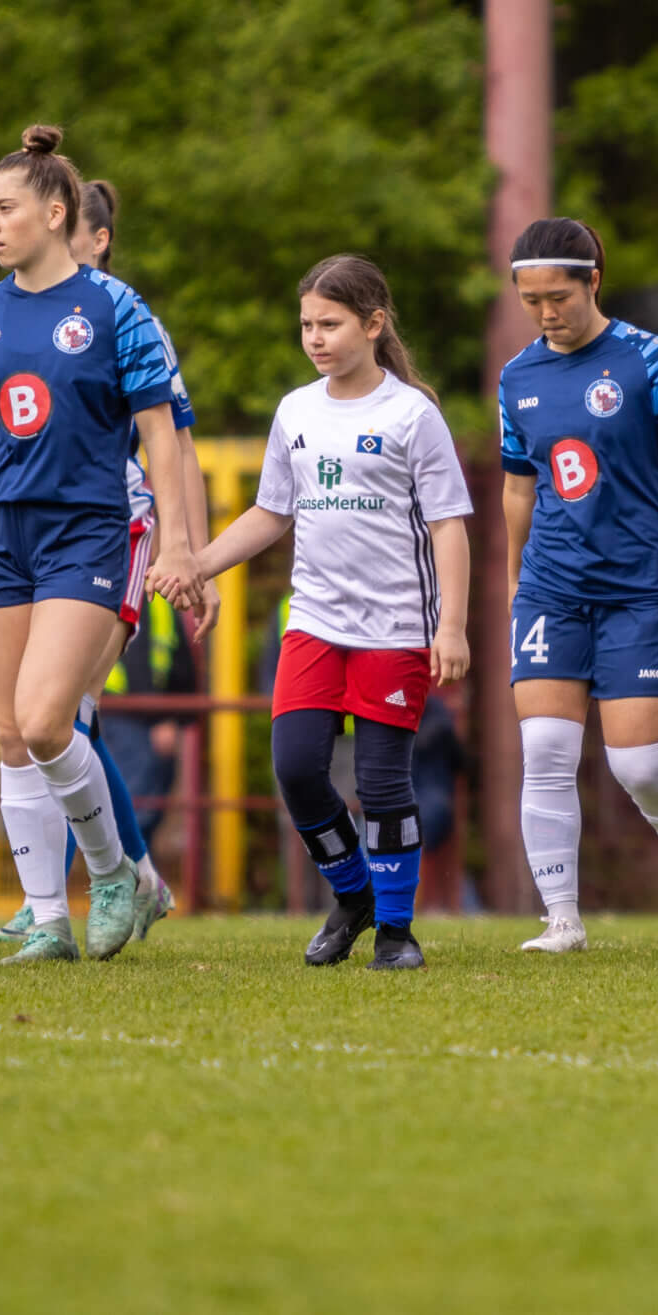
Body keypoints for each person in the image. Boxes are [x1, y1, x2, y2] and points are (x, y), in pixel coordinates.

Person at [0, 125, 196, 965]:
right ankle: (47, 917)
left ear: (56, 213)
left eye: (6, 207)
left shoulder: (115, 308)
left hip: (86, 528)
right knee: (12, 733)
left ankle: (114, 874)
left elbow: (163, 437)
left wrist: (176, 545)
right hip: (1, 534)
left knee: (50, 717)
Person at [192, 255, 472, 969]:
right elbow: (269, 512)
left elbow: (448, 526)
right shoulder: (296, 409)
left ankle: (398, 931)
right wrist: (198, 562)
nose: (315, 337)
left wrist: (451, 626)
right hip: (314, 622)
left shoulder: (412, 414)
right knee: (295, 768)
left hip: (395, 629)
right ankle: (353, 893)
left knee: (382, 784)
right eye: (307, 324)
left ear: (374, 324)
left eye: (331, 323)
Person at [497, 216, 658, 953]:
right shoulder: (517, 376)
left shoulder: (650, 359)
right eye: (532, 300)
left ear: (593, 281)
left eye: (559, 296)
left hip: (641, 587)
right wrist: (518, 575)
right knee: (547, 747)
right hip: (553, 585)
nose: (547, 312)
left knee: (639, 764)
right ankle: (562, 918)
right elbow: (520, 487)